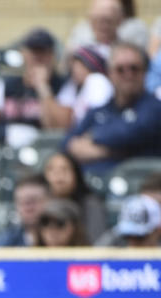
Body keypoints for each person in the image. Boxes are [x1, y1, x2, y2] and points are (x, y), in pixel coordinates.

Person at [63, 42, 161, 174]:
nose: (128, 74)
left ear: (145, 72)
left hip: (139, 185)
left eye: (134, 68)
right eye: (120, 69)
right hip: (92, 186)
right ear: (110, 74)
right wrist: (116, 150)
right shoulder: (99, 110)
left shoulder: (154, 107)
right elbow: (67, 143)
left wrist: (95, 142)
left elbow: (131, 134)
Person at [0, 28, 65, 148]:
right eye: (33, 51)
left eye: (43, 52)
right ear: (24, 53)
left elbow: (57, 129)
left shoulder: (62, 86)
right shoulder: (5, 84)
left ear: (52, 55)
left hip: (44, 153)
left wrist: (43, 88)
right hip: (5, 151)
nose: (37, 57)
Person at [42, 151, 108, 239]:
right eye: (51, 169)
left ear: (76, 174)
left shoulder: (91, 204)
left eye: (65, 169)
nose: (58, 175)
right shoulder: (41, 204)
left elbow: (98, 243)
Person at [49, 45, 114, 128]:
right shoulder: (73, 86)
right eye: (74, 65)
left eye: (79, 65)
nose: (74, 69)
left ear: (90, 65)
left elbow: (99, 117)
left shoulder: (97, 80)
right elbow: (60, 118)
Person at [66, 0, 149, 61]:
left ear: (119, 21)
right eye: (97, 20)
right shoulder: (79, 39)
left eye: (108, 21)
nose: (103, 26)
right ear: (90, 20)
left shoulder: (129, 43)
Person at [0, 173, 49, 247]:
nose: (28, 208)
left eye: (33, 201)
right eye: (22, 202)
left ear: (49, 201)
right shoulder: (2, 243)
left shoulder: (65, 239)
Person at [95, 192, 161, 247]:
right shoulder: (111, 245)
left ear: (158, 230)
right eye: (127, 236)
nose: (133, 243)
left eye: (140, 237)